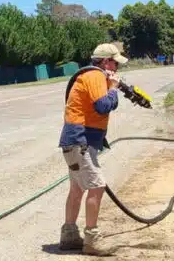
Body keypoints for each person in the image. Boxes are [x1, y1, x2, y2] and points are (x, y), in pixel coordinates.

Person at [58, 43, 128, 255]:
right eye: (116, 63)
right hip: (80, 141)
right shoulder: (95, 77)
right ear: (106, 61)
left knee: (77, 189)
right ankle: (92, 240)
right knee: (97, 186)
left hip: (74, 141)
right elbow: (103, 105)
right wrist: (113, 88)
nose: (117, 68)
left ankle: (69, 236)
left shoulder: (91, 76)